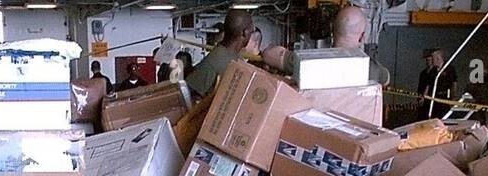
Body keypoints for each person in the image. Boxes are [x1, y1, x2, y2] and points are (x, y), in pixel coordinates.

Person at [263, 6, 391, 86]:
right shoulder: (372, 70)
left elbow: (268, 55)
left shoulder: (309, 61)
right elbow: (386, 79)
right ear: (362, 36)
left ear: (332, 30)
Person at [185, 10, 254, 98]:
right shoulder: (215, 61)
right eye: (252, 30)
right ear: (245, 32)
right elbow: (187, 95)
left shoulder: (234, 56)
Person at [417, 48, 458, 118]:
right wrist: (423, 97)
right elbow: (428, 85)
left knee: (445, 116)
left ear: (438, 58)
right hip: (435, 98)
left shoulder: (449, 69)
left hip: (445, 98)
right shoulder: (433, 71)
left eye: (433, 59)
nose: (432, 61)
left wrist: (453, 97)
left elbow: (454, 83)